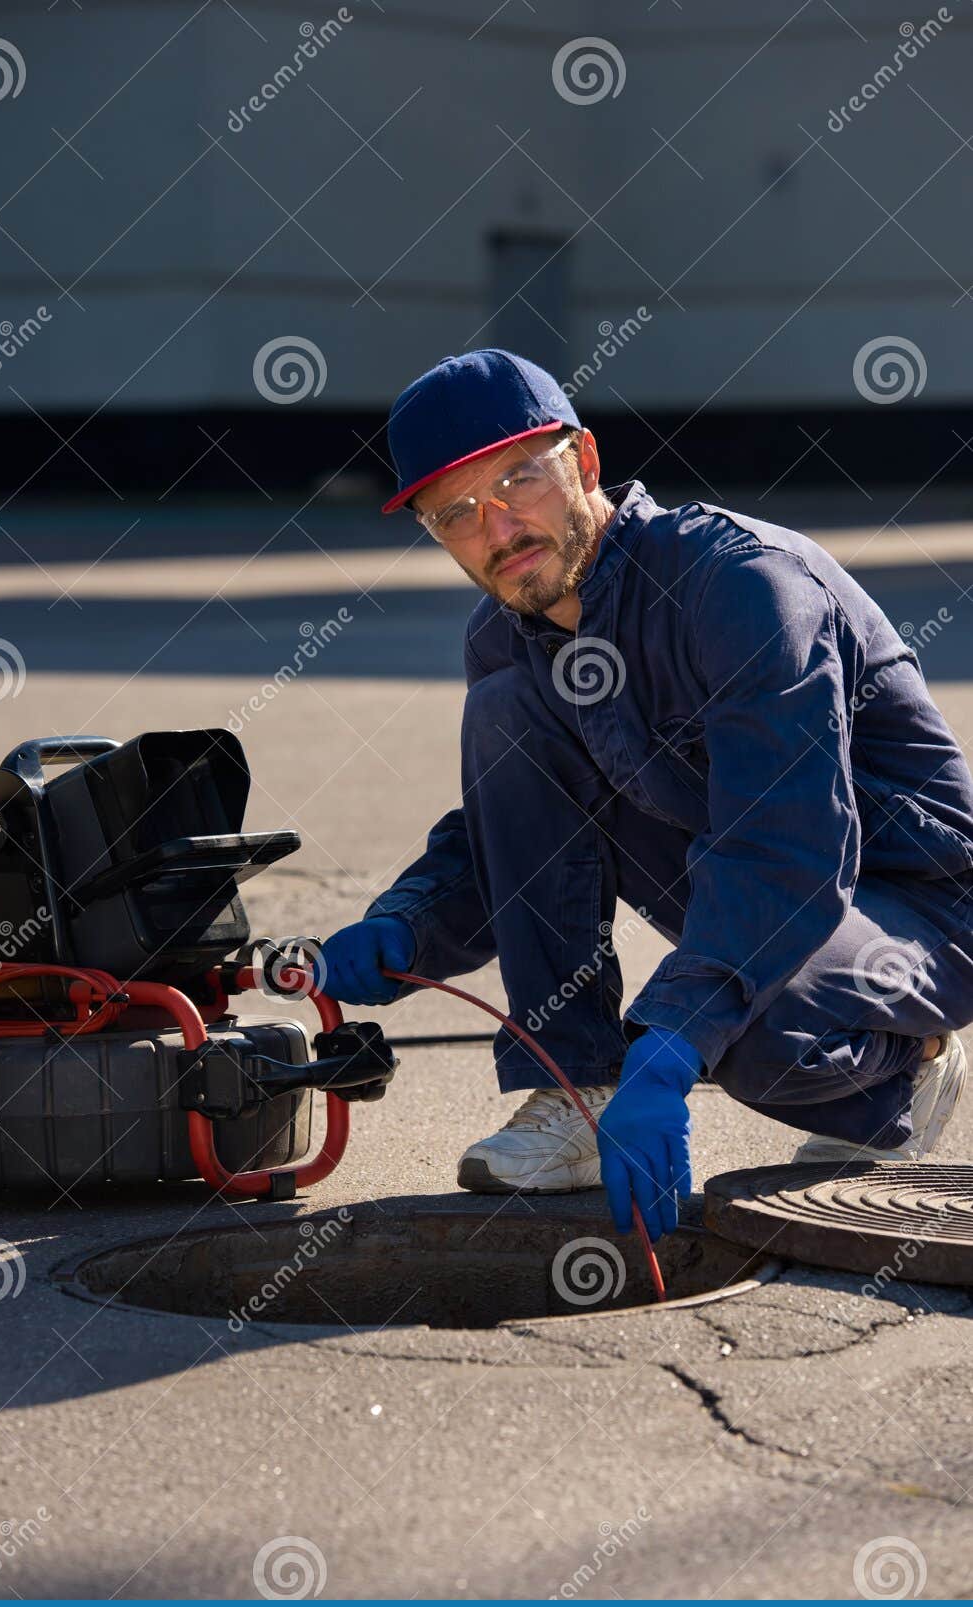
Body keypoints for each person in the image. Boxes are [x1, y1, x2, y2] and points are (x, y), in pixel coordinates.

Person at [315, 348, 973, 1240]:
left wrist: (669, 1039)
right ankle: (573, 1089)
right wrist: (408, 926)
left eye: (518, 480)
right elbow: (519, 834)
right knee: (507, 709)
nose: (497, 527)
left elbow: (783, 845)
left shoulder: (742, 587)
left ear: (583, 463)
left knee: (749, 1034)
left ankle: (910, 1061)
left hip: (915, 902)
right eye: (455, 513)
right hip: (748, 873)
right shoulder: (506, 638)